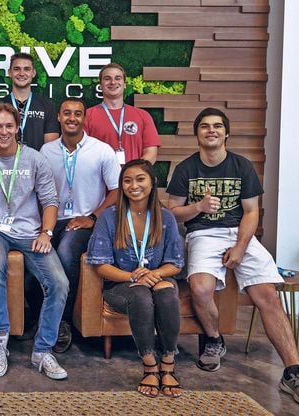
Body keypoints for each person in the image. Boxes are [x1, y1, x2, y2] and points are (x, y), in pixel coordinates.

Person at [167, 107, 299, 403]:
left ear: (227, 133)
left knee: (267, 296)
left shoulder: (241, 166)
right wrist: (198, 207)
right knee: (200, 289)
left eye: (217, 126)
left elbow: (251, 212)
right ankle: (214, 339)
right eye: (204, 126)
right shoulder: (186, 168)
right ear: (197, 134)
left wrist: (240, 247)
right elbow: (173, 211)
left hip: (240, 232)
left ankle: (293, 372)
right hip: (201, 233)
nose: (211, 130)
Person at [0, 102, 70, 380]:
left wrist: (47, 233)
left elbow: (50, 201)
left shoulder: (34, 159)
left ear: (17, 128)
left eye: (9, 125)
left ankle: (42, 351)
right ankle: (0, 342)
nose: (3, 131)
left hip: (31, 233)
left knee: (59, 283)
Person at [87, 159, 184, 398]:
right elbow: (101, 265)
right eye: (127, 181)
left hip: (157, 278)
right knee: (140, 295)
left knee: (167, 292)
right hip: (121, 284)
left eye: (140, 179)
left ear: (152, 183)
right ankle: (150, 364)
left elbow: (176, 263)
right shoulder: (109, 217)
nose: (134, 185)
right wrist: (133, 277)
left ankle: (169, 361)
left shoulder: (166, 217)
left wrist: (153, 274)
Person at [40, 98, 120, 353]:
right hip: (53, 219)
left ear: (84, 118)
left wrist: (93, 217)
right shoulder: (46, 151)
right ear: (59, 118)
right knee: (30, 254)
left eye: (77, 113)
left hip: (86, 221)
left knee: (65, 252)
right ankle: (37, 318)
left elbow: (117, 191)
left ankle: (62, 321)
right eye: (67, 113)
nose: (72, 118)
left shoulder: (102, 150)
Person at [84, 63, 161, 165]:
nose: (113, 82)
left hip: (132, 179)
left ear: (124, 84)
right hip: (99, 179)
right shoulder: (87, 116)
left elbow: (151, 153)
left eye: (118, 78)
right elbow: (82, 153)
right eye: (107, 78)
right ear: (100, 85)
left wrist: (133, 172)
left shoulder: (143, 116)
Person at [0, 52, 59, 150]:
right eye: (16, 69)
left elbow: (50, 150)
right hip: (4, 165)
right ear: (9, 72)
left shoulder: (47, 107)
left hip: (37, 164)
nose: (22, 73)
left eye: (27, 69)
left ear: (33, 73)